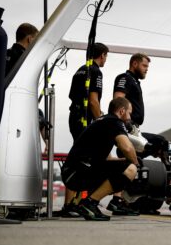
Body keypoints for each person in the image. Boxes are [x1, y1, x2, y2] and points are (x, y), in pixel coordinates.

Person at [61, 97, 139, 221]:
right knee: (131, 169)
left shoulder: (103, 121)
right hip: (77, 173)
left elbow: (103, 160)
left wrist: (123, 162)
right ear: (122, 111)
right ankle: (89, 204)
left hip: (74, 171)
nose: (130, 117)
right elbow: (127, 148)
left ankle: (89, 203)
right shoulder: (115, 122)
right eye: (129, 112)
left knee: (125, 166)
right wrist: (136, 164)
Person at [114, 53, 170, 213]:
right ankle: (119, 200)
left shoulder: (135, 81)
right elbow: (118, 100)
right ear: (134, 63)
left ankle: (166, 182)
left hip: (135, 129)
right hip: (127, 130)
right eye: (144, 66)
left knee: (159, 144)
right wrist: (126, 123)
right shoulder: (124, 78)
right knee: (129, 162)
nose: (146, 70)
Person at [60, 43, 110, 217]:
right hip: (84, 118)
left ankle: (70, 203)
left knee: (77, 157)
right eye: (106, 56)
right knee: (85, 160)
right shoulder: (95, 71)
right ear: (102, 55)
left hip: (74, 115)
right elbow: (93, 101)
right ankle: (80, 202)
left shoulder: (80, 70)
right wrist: (101, 122)